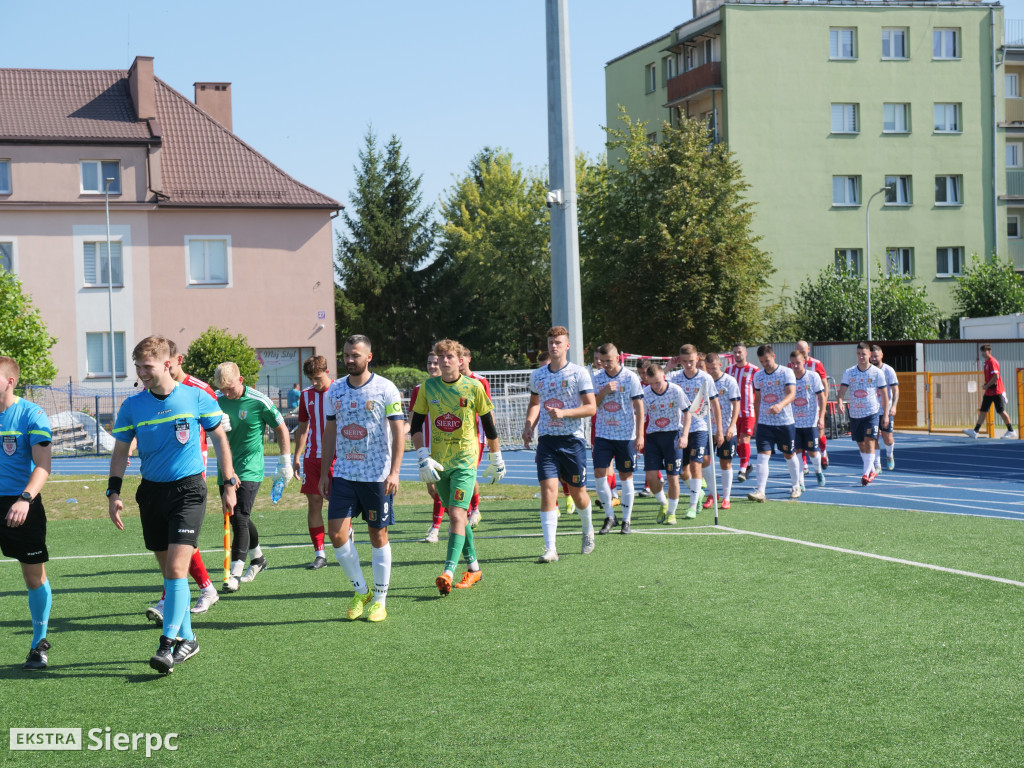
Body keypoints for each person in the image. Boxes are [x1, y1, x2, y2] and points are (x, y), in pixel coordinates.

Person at [108, 335, 237, 674]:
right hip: (151, 492)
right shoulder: (132, 405)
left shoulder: (196, 397)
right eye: (137, 366)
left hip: (189, 491)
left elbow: (220, 438)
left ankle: (167, 645)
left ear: (168, 363)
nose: (141, 372)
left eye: (146, 366)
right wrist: (113, 492)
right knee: (169, 572)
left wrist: (229, 482)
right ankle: (188, 640)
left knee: (178, 569)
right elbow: (121, 451)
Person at [318, 335, 405, 622]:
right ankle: (361, 591)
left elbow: (397, 432)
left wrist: (394, 471)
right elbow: (330, 432)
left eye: (355, 355)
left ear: (369, 356)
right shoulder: (335, 390)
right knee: (337, 534)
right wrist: (324, 472)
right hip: (343, 474)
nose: (349, 360)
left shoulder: (386, 389)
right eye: (345, 355)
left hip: (376, 476)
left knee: (377, 534)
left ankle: (380, 599)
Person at [412, 339, 505, 595]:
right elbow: (415, 426)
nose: (444, 361)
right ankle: (474, 568)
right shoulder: (427, 388)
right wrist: (422, 455)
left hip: (465, 460)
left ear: (460, 360)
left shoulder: (474, 387)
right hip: (439, 463)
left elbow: (489, 426)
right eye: (440, 357)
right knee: (459, 517)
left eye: (449, 356)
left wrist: (496, 458)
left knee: (455, 514)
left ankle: (448, 571)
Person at [144, 340, 221, 623]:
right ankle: (204, 588)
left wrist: (228, 473)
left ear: (176, 359)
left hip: (191, 473)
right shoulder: (150, 391)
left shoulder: (199, 390)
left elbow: (218, 430)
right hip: (160, 477)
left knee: (180, 539)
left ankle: (171, 600)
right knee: (174, 539)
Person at [215, 361, 293, 592]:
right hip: (226, 468)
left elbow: (281, 428)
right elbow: (206, 430)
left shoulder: (260, 401)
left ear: (240, 380)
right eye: (222, 390)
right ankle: (258, 559)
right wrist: (215, 425)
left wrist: (285, 462)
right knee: (236, 515)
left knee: (239, 516)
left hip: (250, 467)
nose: (226, 393)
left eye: (230, 388)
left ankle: (235, 573)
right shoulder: (216, 402)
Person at [522, 326, 597, 563]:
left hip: (572, 441)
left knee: (578, 494)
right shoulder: (538, 375)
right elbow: (535, 403)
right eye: (551, 342)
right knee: (548, 491)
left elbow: (591, 407)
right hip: (547, 442)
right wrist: (529, 425)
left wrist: (564, 413)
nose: (554, 346)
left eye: (558, 342)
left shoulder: (579, 373)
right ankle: (550, 548)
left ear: (567, 345)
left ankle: (587, 529)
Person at [0, 356, 54, 670]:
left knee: (33, 578)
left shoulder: (31, 414)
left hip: (21, 504)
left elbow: (44, 466)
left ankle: (38, 645)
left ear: (10, 381)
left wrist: (24, 499)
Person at [592, 343, 645, 534]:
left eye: (609, 360)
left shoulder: (630, 377)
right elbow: (591, 405)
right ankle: (609, 516)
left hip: (626, 436)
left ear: (618, 358)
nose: (605, 364)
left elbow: (639, 407)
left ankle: (626, 520)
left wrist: (640, 435)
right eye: (602, 361)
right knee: (599, 474)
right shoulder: (596, 378)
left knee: (626, 476)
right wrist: (603, 392)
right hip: (603, 434)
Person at [291, 355, 336, 569]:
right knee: (314, 503)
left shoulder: (340, 391)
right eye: (311, 379)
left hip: (338, 457)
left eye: (318, 378)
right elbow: (302, 427)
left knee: (338, 503)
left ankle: (346, 540)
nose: (315, 383)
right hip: (312, 458)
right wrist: (297, 456)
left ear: (327, 372)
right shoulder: (305, 395)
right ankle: (320, 554)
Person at [667, 344, 721, 518]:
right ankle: (697, 493)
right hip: (680, 428)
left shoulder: (705, 378)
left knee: (696, 464)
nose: (688, 365)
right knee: (682, 470)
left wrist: (719, 430)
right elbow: (655, 381)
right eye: (684, 362)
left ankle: (692, 505)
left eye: (691, 361)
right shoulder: (674, 377)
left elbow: (715, 405)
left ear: (697, 359)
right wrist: (668, 366)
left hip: (699, 426)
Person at [747, 345, 800, 502]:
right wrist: (756, 420)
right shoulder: (758, 376)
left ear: (774, 356)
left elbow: (792, 394)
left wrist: (780, 405)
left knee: (789, 455)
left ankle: (796, 486)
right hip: (764, 422)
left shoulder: (786, 372)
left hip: (785, 422)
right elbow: (757, 399)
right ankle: (760, 491)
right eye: (762, 361)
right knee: (762, 456)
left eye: (767, 360)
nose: (765, 364)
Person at [642, 364, 692, 524]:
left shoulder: (675, 390)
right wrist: (638, 437)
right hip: (653, 437)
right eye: (652, 383)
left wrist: (684, 435)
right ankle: (663, 504)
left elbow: (687, 413)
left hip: (672, 436)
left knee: (673, 478)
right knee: (650, 476)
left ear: (663, 376)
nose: (656, 386)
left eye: (658, 381)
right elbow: (640, 417)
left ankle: (671, 512)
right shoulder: (645, 394)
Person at [837, 342, 891, 486]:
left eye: (864, 354)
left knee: (869, 441)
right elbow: (842, 390)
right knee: (861, 444)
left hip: (871, 413)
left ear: (869, 356)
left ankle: (866, 473)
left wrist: (885, 414)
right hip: (855, 414)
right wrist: (840, 402)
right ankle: (871, 469)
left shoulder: (877, 372)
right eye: (859, 354)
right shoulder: (849, 372)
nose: (861, 357)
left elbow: (885, 395)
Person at [413, 352, 447, 543]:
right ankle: (458, 518)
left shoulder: (451, 387)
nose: (432, 366)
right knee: (432, 490)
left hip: (445, 445)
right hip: (425, 447)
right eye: (429, 363)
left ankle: (435, 528)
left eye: (436, 363)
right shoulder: (419, 389)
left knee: (440, 487)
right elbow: (413, 419)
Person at [459, 345, 492, 529]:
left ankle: (475, 509)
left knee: (469, 472)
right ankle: (464, 510)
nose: (460, 360)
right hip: (453, 437)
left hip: (475, 436)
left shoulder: (480, 381)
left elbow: (488, 411)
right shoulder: (448, 381)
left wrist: (491, 437)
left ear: (469, 359)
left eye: (463, 356)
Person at [705, 353, 740, 510]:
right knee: (705, 462)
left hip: (726, 428)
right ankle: (712, 493)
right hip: (706, 428)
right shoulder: (704, 381)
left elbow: (736, 404)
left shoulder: (729, 381)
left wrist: (732, 426)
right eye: (709, 368)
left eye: (714, 367)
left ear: (720, 365)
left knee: (725, 462)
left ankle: (726, 497)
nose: (711, 370)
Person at [789, 349, 827, 489]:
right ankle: (800, 481)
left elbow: (821, 397)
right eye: (792, 363)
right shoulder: (789, 378)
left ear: (804, 362)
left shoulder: (813, 377)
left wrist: (821, 417)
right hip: (793, 422)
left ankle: (818, 471)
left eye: (798, 363)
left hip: (810, 421)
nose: (795, 366)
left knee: (812, 452)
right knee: (797, 451)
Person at [964, 344, 1018, 439]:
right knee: (983, 410)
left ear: (989, 351)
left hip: (996, 391)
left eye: (984, 351)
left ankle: (1011, 431)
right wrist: (986, 386)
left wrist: (987, 385)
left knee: (1001, 411)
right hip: (989, 392)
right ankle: (975, 431)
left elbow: (996, 377)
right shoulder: (986, 363)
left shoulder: (992, 362)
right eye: (982, 351)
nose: (982, 353)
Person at [794, 340, 830, 468]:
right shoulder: (792, 365)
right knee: (798, 436)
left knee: (820, 432)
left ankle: (823, 452)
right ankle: (803, 464)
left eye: (803, 351)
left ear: (808, 350)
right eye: (798, 351)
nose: (801, 354)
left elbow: (825, 384)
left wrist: (823, 403)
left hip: (814, 405)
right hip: (798, 407)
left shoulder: (816, 364)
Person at [726, 344, 759, 482]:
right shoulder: (729, 370)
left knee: (745, 439)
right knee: (737, 444)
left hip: (748, 411)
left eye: (740, 352)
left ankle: (742, 470)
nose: (737, 355)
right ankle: (747, 465)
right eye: (735, 352)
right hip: (733, 413)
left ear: (745, 353)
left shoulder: (754, 370)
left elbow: (758, 392)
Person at [869, 345, 900, 471]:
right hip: (872, 410)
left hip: (886, 410)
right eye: (872, 357)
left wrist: (894, 406)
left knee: (887, 438)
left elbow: (895, 390)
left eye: (876, 356)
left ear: (881, 355)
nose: (874, 359)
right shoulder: (868, 370)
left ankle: (889, 455)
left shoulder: (888, 370)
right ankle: (877, 464)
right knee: (873, 437)